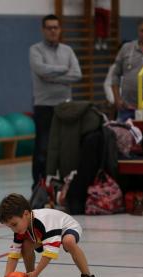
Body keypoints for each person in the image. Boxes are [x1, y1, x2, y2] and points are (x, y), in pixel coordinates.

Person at [0, 193, 98, 277]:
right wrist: (7, 276)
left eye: (14, 224)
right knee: (25, 245)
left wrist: (36, 272)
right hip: (44, 235)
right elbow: (14, 254)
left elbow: (49, 253)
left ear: (26, 214)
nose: (13, 229)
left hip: (67, 227)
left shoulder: (42, 223)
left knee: (68, 241)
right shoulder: (21, 227)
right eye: (10, 226)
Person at [29, 14, 82, 189]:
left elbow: (77, 75)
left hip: (65, 107)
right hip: (44, 106)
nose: (53, 31)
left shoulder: (68, 50)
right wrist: (63, 71)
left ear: (60, 29)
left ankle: (63, 187)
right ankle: (39, 186)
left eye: (56, 27)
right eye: (49, 27)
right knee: (42, 149)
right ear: (43, 30)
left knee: (66, 149)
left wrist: (52, 77)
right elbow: (41, 70)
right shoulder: (35, 50)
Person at [111, 17, 143, 122]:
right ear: (138, 31)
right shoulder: (126, 48)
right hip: (126, 108)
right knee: (123, 137)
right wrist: (117, 98)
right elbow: (115, 74)